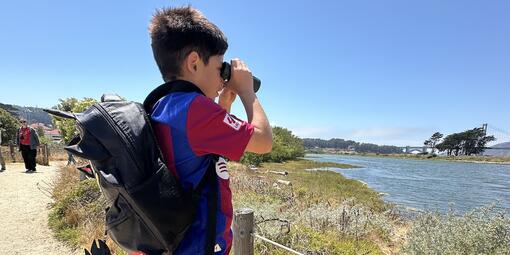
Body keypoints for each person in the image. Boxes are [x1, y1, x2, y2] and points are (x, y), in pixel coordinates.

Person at [148, 6, 272, 254]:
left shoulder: (162, 105)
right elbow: (264, 141)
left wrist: (223, 104)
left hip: (173, 244)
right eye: (219, 69)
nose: (222, 78)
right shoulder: (197, 109)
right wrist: (247, 91)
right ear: (194, 63)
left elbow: (200, 153)